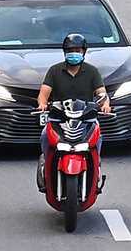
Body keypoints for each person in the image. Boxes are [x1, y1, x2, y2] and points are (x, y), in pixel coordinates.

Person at [33, 34, 113, 191]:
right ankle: (45, 166)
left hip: (86, 119)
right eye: (70, 50)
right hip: (59, 118)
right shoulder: (54, 71)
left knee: (98, 138)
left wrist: (105, 105)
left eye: (77, 50)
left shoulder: (92, 71)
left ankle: (95, 168)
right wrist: (42, 104)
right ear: (64, 52)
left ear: (84, 52)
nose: (74, 53)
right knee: (44, 136)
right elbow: (44, 94)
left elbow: (102, 94)